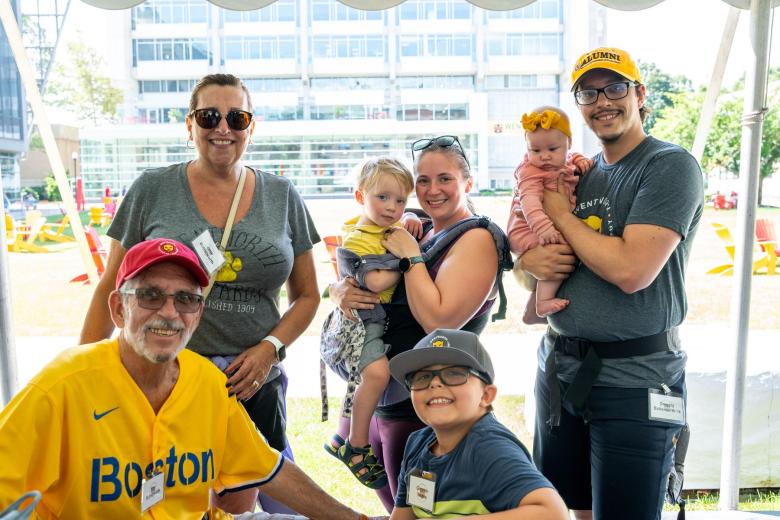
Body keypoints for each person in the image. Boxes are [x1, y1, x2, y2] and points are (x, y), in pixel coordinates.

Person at [79, 73, 320, 514]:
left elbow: (307, 296)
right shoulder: (152, 189)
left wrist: (268, 349)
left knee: (261, 491)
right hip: (166, 381)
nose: (223, 128)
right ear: (189, 125)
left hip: (252, 384)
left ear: (252, 126)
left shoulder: (282, 195)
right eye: (209, 116)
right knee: (166, 497)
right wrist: (85, 372)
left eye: (236, 117)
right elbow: (111, 285)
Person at [0, 238, 368, 520]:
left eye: (186, 300)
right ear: (118, 307)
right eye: (149, 296)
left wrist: (354, 518)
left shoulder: (207, 382)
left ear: (198, 313)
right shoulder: (62, 386)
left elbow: (269, 470)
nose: (169, 313)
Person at [516, 47, 704, 520]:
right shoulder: (578, 174)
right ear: (578, 106)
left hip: (636, 380)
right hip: (561, 370)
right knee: (562, 510)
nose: (603, 101)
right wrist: (531, 263)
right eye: (589, 92)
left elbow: (631, 271)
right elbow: (533, 266)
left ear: (640, 95)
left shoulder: (667, 166)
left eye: (616, 87)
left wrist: (560, 214)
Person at [329, 135, 508, 511]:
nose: (431, 189)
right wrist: (339, 289)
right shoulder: (420, 227)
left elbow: (439, 321)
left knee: (419, 511)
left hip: (428, 402)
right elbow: (362, 260)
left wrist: (410, 257)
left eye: (444, 179)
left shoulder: (476, 237)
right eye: (423, 180)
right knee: (396, 507)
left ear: (467, 184)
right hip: (389, 396)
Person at [387, 328, 568, 519]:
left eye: (454, 374)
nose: (435, 384)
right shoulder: (418, 443)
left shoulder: (489, 449)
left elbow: (553, 513)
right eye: (422, 377)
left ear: (486, 395)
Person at [325, 157, 417, 489]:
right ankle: (357, 445)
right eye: (383, 198)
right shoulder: (359, 240)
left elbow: (397, 228)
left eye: (401, 200)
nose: (392, 207)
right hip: (362, 324)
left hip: (371, 324)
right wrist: (411, 258)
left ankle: (342, 434)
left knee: (362, 379)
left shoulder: (381, 228)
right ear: (360, 197)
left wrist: (407, 224)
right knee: (375, 375)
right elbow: (376, 282)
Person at [506, 107, 592, 323]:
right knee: (560, 249)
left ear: (568, 143)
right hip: (527, 227)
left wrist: (580, 160)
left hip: (545, 222)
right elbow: (530, 204)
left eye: (553, 148)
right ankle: (542, 302)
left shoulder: (565, 159)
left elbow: (572, 158)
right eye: (535, 151)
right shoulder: (531, 173)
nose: (544, 156)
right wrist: (543, 228)